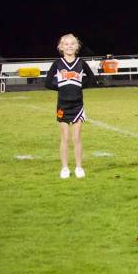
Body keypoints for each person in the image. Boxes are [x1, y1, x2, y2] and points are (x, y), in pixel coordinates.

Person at [44, 34, 97, 178]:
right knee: (65, 138)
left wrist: (79, 86)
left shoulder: (81, 62)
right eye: (66, 44)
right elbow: (47, 83)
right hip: (62, 105)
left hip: (78, 105)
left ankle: (79, 167)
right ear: (61, 47)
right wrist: (61, 88)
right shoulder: (57, 63)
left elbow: (92, 79)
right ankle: (65, 168)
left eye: (72, 44)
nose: (69, 46)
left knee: (77, 137)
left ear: (77, 46)